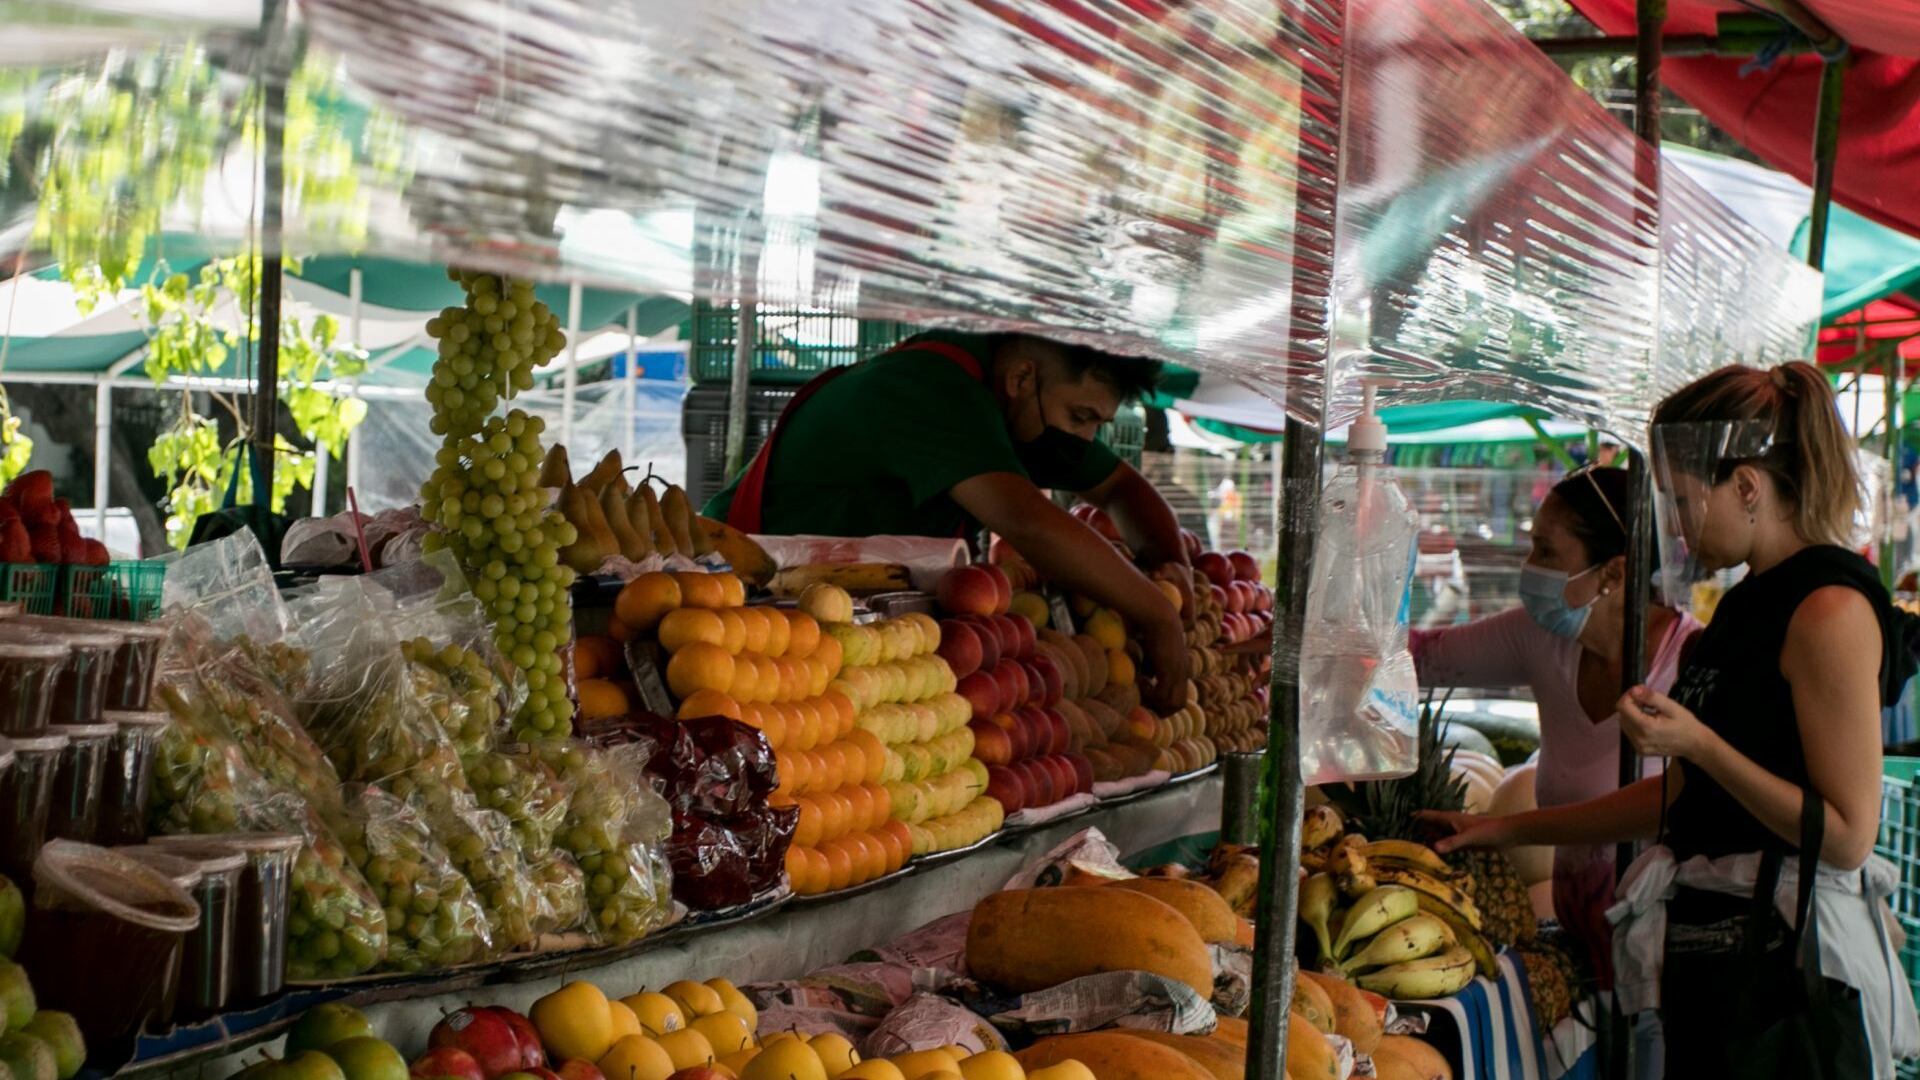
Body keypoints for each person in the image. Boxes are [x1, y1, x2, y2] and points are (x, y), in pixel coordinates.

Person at [1422, 362, 1918, 1076]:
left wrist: (1700, 744)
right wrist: (1502, 829)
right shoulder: (1747, 605)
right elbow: (1679, 799)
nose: (1677, 531)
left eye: (1684, 501)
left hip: (1791, 987)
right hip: (1717, 966)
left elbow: (1844, 837)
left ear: (1747, 487)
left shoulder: (1829, 611)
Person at [705, 329, 1192, 708]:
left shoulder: (1014, 403)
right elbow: (1029, 523)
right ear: (1022, 379)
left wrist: (1173, 571)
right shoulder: (932, 389)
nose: (1084, 440)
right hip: (740, 611)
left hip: (844, 634)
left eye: (1096, 424)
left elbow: (1121, 489)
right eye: (1081, 417)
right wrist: (1159, 615)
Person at [1409, 465, 1701, 981]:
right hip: (1583, 956)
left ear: (1614, 573)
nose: (1529, 567)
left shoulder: (1691, 663)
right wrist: (1293, 635)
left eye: (1546, 553)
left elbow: (1670, 807)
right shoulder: (1542, 638)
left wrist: (1505, 830)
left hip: (1669, 973)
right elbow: (1420, 658)